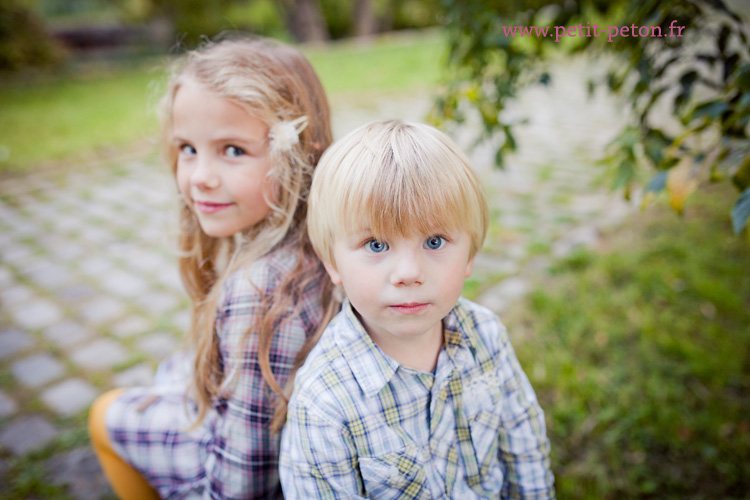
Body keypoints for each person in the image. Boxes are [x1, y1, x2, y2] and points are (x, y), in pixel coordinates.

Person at [88, 37, 338, 499]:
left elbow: (242, 483)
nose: (200, 175)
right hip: (241, 420)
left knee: (104, 414)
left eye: (233, 150)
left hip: (249, 470)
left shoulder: (261, 293)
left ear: (302, 153)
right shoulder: (327, 239)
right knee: (173, 371)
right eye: (188, 148)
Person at [279, 120, 555, 499]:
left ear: (471, 253)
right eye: (376, 245)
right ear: (332, 263)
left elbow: (524, 447)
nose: (408, 274)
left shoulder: (485, 336)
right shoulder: (325, 402)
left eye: (435, 241)